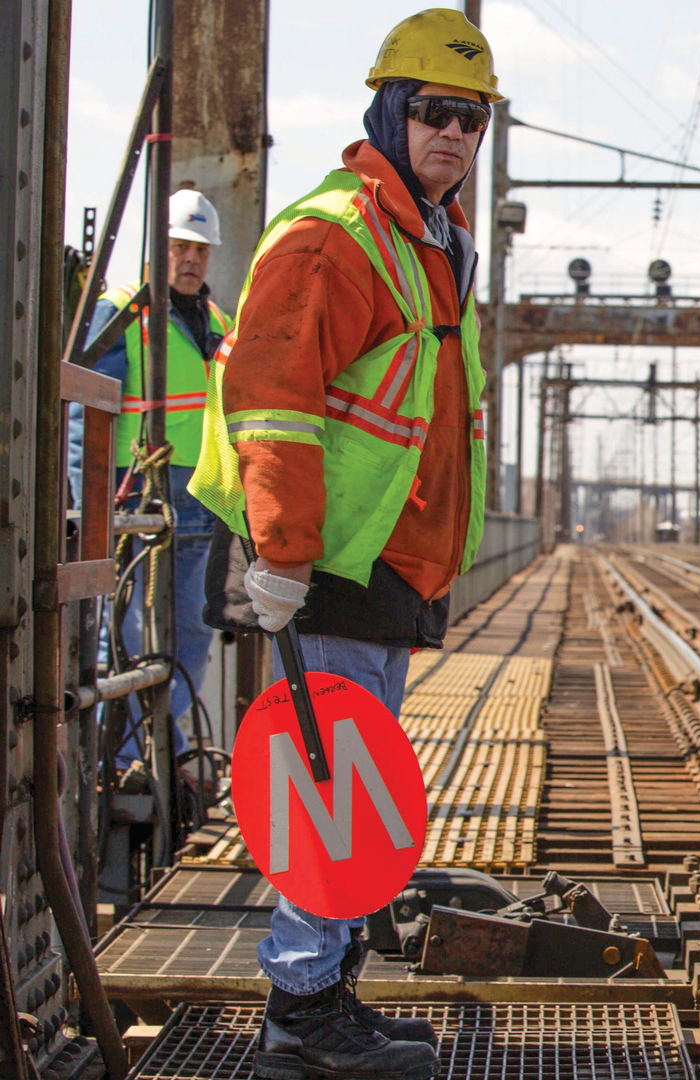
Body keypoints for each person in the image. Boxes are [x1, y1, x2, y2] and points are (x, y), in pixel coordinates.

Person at [186, 10, 498, 1078]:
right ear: (389, 111)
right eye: (434, 112)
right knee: (324, 802)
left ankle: (323, 996)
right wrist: (277, 550)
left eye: (472, 117)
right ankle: (301, 1022)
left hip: (379, 568)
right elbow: (274, 398)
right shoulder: (338, 234)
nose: (453, 133)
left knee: (344, 796)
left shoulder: (428, 240)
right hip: (324, 567)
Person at [70, 189, 232, 772]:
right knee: (127, 630)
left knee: (193, 629)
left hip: (201, 500)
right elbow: (83, 416)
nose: (190, 259)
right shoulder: (123, 312)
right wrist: (86, 505)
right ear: (154, 250)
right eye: (179, 247)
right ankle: (128, 753)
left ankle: (168, 738)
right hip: (137, 495)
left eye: (200, 249)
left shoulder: (217, 322)